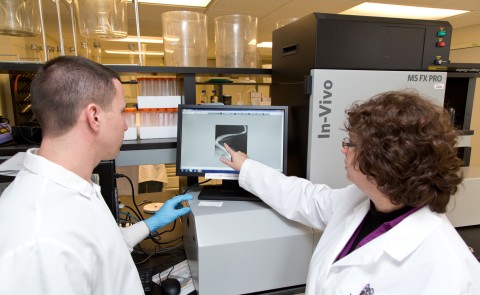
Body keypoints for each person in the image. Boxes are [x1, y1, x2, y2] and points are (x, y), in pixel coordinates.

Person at [220, 90, 480, 294]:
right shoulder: (360, 201)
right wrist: (248, 167)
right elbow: (305, 197)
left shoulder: (448, 269)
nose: (344, 149)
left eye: (352, 144)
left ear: (383, 161)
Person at [0, 56, 192, 295]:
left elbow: (98, 248)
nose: (125, 125)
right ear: (95, 117)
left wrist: (149, 224)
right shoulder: (39, 242)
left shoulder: (71, 184)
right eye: (122, 111)